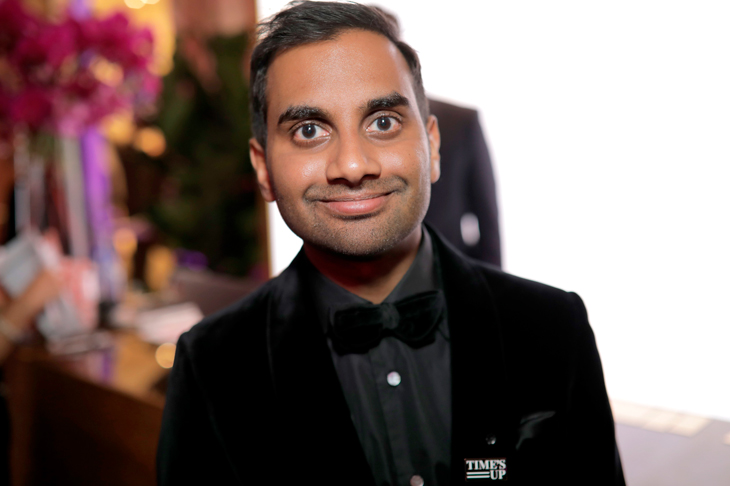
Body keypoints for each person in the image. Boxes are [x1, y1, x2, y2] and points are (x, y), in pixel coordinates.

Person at [157, 2, 624, 485]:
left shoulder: (553, 328)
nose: (353, 165)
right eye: (309, 130)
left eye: (382, 122)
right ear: (263, 168)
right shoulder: (212, 367)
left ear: (433, 146)